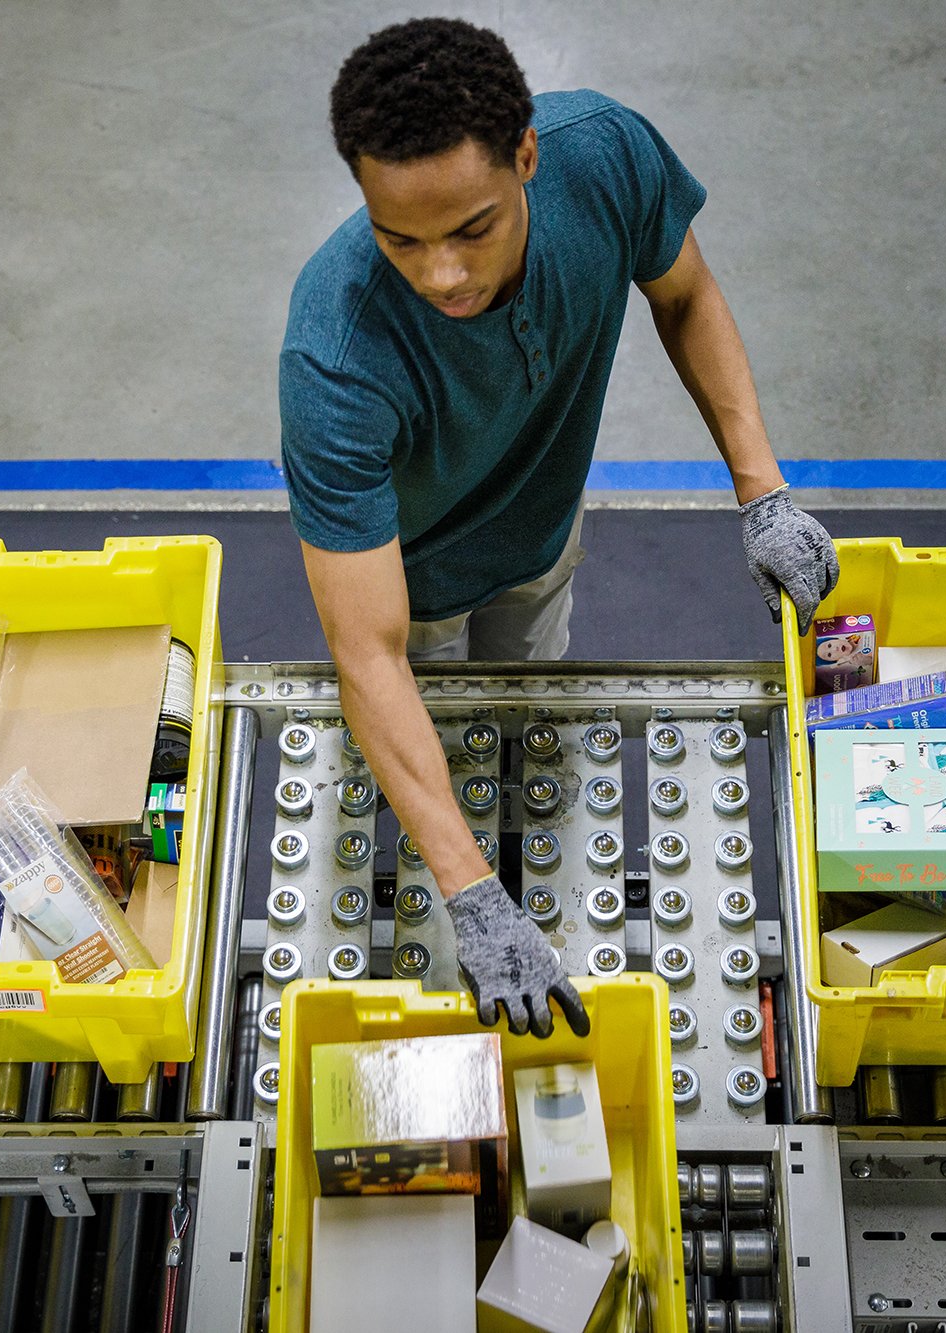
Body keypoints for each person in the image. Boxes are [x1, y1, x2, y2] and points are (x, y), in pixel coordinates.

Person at [279, 17, 837, 1038]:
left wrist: (759, 490)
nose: (441, 274)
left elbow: (687, 294)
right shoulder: (336, 356)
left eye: (471, 230)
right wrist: (472, 895)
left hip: (538, 539)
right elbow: (369, 653)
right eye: (401, 239)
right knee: (422, 724)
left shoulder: (605, 159)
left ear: (526, 158)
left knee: (531, 687)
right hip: (409, 583)